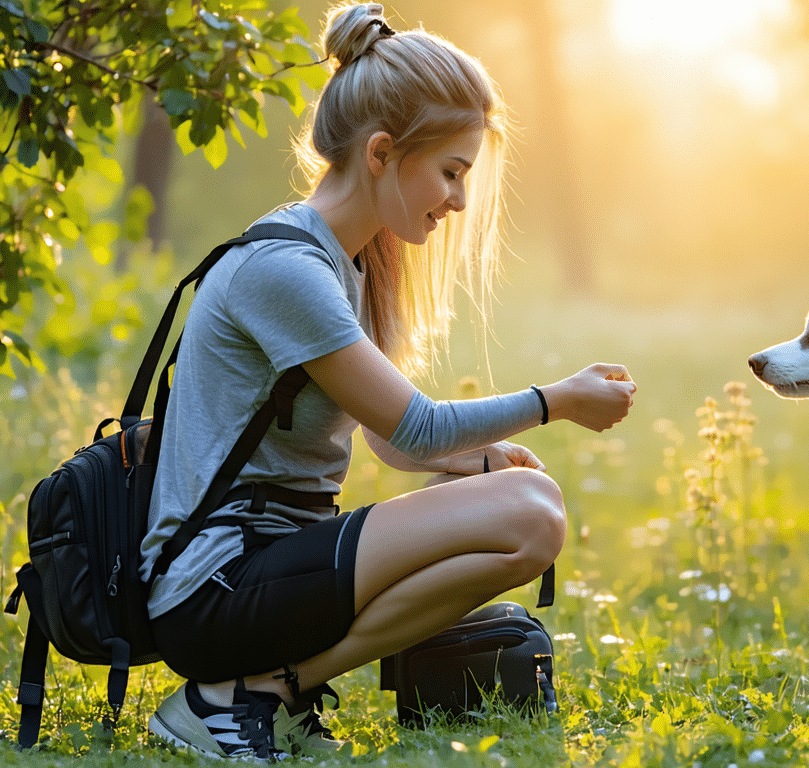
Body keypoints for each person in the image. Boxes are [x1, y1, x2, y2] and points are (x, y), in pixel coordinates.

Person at [139, 3, 636, 759]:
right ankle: (247, 693)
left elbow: (390, 443)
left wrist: (479, 465)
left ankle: (265, 690)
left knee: (527, 508)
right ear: (380, 152)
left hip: (277, 560)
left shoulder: (354, 264)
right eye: (451, 172)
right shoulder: (287, 270)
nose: (460, 201)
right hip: (215, 586)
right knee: (532, 513)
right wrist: (556, 402)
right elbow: (416, 429)